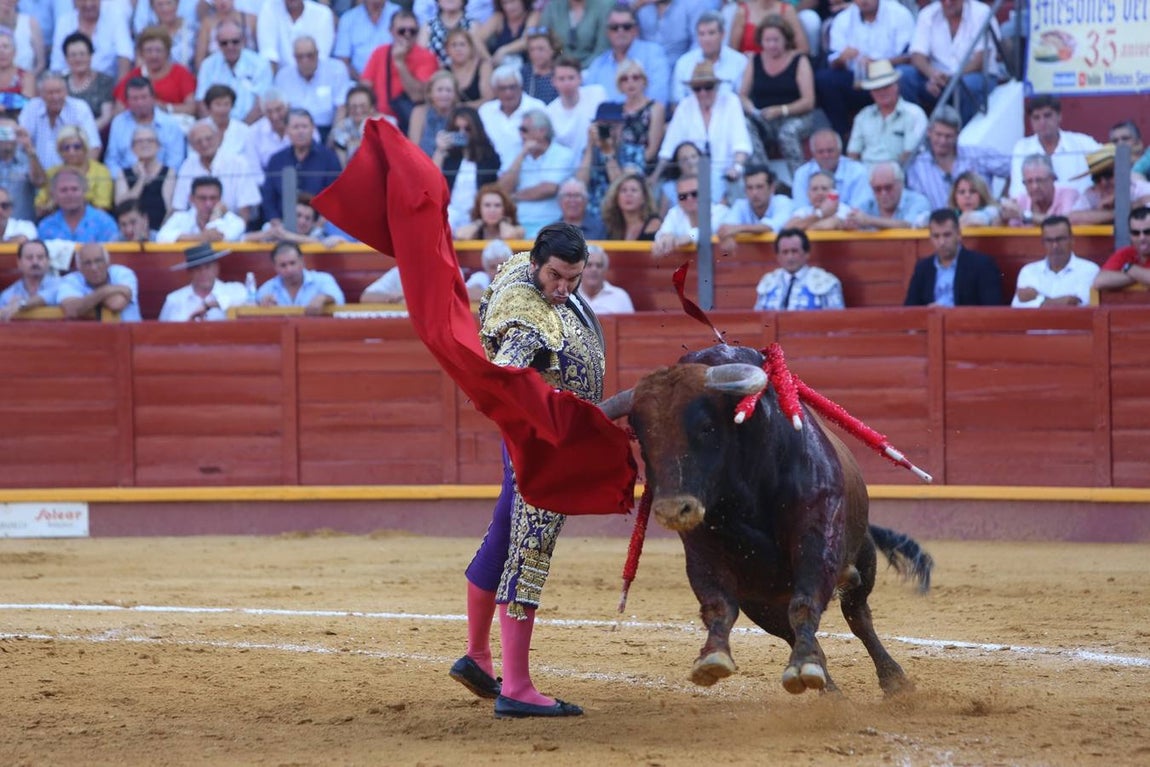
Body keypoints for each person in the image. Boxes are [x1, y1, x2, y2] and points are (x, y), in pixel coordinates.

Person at [451, 222, 601, 719]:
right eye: (556, 276)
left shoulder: (520, 264)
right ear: (538, 262)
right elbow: (505, 375)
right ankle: (515, 686)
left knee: (503, 533)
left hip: (536, 439)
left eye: (574, 279)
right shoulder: (527, 318)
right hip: (541, 445)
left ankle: (476, 655)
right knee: (529, 547)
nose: (563, 288)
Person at [815, 0, 915, 141]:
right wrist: (842, 59)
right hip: (857, 79)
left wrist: (879, 64)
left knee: (905, 74)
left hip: (889, 75)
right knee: (825, 79)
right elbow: (833, 60)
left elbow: (909, 56)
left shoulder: (899, 14)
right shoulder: (843, 19)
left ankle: (904, 129)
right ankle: (842, 136)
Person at [656, 62, 750, 205]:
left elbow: (741, 143)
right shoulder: (685, 106)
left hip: (724, 177)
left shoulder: (731, 102)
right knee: (668, 191)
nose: (703, 93)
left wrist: (736, 168)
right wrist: (655, 176)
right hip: (690, 177)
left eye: (708, 87)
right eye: (697, 88)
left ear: (716, 86)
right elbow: (669, 148)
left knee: (719, 192)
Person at [739, 13, 819, 178]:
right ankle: (763, 177)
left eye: (776, 40)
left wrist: (781, 110)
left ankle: (799, 180)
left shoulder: (799, 60)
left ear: (786, 39)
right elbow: (742, 95)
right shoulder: (755, 60)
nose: (771, 45)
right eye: (767, 40)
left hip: (795, 116)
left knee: (787, 133)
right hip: (764, 116)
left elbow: (808, 101)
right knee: (745, 126)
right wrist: (751, 108)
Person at [898, 0, 999, 126]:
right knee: (904, 75)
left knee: (968, 85)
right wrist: (932, 74)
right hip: (938, 80)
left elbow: (980, 59)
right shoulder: (928, 13)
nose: (948, 2)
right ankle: (915, 130)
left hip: (974, 76)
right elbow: (917, 55)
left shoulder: (981, 12)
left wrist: (952, 78)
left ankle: (962, 138)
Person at [906, 106, 1010, 210]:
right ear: (929, 132)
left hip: (981, 224)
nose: (943, 141)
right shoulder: (917, 167)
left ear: (957, 135)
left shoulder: (977, 155)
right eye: (938, 135)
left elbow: (1015, 167)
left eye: (948, 136)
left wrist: (1001, 201)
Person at [497, 110, 576, 237]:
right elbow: (502, 189)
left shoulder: (563, 154)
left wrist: (513, 197)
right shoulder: (515, 152)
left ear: (542, 131)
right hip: (515, 222)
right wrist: (522, 154)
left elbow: (548, 188)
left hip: (551, 223)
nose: (521, 134)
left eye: (524, 130)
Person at [904, 208, 1003, 306]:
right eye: (936, 236)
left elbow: (991, 310)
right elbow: (910, 310)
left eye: (947, 235)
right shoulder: (923, 268)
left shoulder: (982, 265)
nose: (941, 242)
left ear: (959, 235)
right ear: (930, 238)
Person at [360, 9, 438, 133]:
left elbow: (417, 96)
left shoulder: (426, 56)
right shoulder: (380, 52)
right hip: (381, 119)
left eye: (412, 31)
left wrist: (400, 63)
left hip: (412, 122)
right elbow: (365, 87)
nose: (407, 34)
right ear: (391, 31)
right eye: (402, 31)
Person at [261, 109, 342, 226]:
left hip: (319, 226)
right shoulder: (276, 160)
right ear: (287, 130)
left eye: (304, 127)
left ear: (313, 128)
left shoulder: (329, 158)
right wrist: (275, 221)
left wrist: (321, 222)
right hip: (281, 227)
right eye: (295, 127)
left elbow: (336, 195)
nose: (300, 131)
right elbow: (268, 197)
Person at [1009, 95, 1100, 198]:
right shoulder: (1022, 148)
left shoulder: (1083, 143)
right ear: (1031, 121)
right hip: (1035, 212)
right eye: (1036, 118)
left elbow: (1111, 162)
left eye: (1047, 116)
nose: (1042, 122)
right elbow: (1018, 193)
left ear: (1059, 116)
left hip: (1080, 211)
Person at [172, 119, 261, 222]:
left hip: (232, 226)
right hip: (195, 228)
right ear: (192, 146)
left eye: (208, 139)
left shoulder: (238, 163)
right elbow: (179, 206)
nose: (204, 144)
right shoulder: (188, 165)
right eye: (198, 141)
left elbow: (246, 207)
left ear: (218, 138)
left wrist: (237, 230)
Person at [845, 59, 927, 168]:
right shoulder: (863, 116)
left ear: (897, 86)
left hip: (899, 175)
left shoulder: (914, 114)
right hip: (865, 177)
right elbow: (853, 154)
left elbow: (910, 154)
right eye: (877, 88)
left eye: (886, 87)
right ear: (871, 92)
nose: (882, 92)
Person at [582, 4, 670, 106]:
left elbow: (658, 99)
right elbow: (587, 103)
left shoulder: (653, 54)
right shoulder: (598, 65)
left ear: (636, 30)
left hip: (642, 119)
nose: (620, 31)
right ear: (607, 32)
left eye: (626, 27)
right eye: (614, 27)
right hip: (604, 120)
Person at [435, 105, 502, 230]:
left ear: (475, 129)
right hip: (450, 212)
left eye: (467, 129)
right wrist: (440, 150)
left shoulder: (489, 157)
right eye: (457, 129)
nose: (462, 133)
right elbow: (432, 179)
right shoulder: (449, 157)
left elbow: (494, 187)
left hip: (478, 215)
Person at [104, 76, 185, 178]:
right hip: (126, 181)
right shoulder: (118, 122)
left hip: (162, 182)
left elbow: (175, 161)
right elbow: (112, 160)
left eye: (144, 97)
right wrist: (124, 179)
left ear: (153, 98)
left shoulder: (170, 124)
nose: (140, 103)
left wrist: (155, 180)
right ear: (127, 101)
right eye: (134, 98)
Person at [195, 19, 272, 125]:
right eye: (224, 43)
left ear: (243, 40)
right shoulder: (208, 65)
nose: (230, 46)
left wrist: (240, 130)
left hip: (251, 126)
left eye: (235, 41)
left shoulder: (260, 64)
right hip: (215, 129)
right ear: (217, 43)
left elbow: (261, 104)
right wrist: (214, 128)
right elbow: (201, 102)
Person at [273, 35, 351, 141]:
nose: (305, 60)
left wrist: (333, 138)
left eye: (310, 55)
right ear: (294, 57)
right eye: (300, 57)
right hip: (295, 132)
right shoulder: (283, 76)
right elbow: (281, 111)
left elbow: (341, 108)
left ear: (317, 53)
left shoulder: (336, 70)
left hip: (327, 129)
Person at [18, 70, 100, 169]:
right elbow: (21, 142)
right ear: (41, 94)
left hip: (73, 175)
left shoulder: (79, 108)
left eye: (59, 92)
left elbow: (94, 147)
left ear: (66, 92)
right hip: (35, 175)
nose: (55, 97)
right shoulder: (32, 107)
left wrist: (81, 175)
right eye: (50, 93)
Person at [1011, 216, 1099, 308]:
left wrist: (1037, 298)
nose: (1055, 246)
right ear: (1043, 243)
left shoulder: (1089, 270)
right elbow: (1017, 306)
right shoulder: (1028, 271)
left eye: (1060, 239)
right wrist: (1057, 301)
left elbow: (1075, 305)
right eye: (1049, 240)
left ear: (1072, 239)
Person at [112, 26, 197, 119]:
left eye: (158, 50)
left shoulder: (181, 73)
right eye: (149, 51)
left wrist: (165, 108)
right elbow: (119, 109)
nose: (154, 56)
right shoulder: (133, 76)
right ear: (141, 53)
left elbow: (191, 108)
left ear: (167, 52)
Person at [753, 227, 844, 310]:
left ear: (807, 254)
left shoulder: (825, 281)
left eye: (795, 251)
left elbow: (836, 321)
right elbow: (760, 322)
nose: (790, 257)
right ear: (778, 256)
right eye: (785, 252)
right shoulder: (768, 282)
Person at [477, 63, 546, 173]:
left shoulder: (537, 107)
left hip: (529, 172)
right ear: (495, 90)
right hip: (492, 173)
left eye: (512, 87)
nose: (508, 93)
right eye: (502, 88)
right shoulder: (485, 111)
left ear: (521, 86)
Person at [671, 11, 748, 106]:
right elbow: (676, 102)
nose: (706, 39)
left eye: (711, 33)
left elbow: (742, 100)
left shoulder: (740, 61)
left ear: (722, 34)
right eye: (702, 34)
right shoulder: (684, 62)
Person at [34, 125, 112, 217]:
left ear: (85, 148)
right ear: (59, 151)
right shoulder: (52, 173)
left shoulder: (100, 171)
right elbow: (39, 210)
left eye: (77, 147)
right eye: (66, 148)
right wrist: (53, 204)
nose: (71, 152)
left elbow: (102, 209)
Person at [159, 242, 249, 321]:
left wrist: (208, 305)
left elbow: (245, 299)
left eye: (207, 267)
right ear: (190, 273)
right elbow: (162, 333)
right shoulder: (174, 300)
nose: (203, 273)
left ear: (216, 268)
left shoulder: (235, 290)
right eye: (197, 269)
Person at [717, 164, 794, 253]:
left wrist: (738, 229)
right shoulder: (740, 205)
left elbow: (771, 226)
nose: (754, 193)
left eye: (760, 187)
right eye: (750, 188)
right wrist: (727, 236)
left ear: (772, 188)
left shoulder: (783, 202)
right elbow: (725, 227)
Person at [49, 0, 134, 79]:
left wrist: (120, 91)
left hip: (107, 84)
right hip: (71, 83)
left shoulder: (115, 18)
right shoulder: (64, 22)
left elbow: (125, 56)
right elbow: (57, 63)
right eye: (83, 0)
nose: (88, 4)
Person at [1069, 144, 1150, 226]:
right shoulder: (1091, 194)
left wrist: (1099, 216)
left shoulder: (1140, 188)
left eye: (1108, 174)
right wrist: (1119, 211)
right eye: (1097, 178)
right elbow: (1072, 218)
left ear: (1123, 171)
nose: (1103, 182)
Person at [58, 242, 141, 321]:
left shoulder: (122, 273)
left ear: (107, 262)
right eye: (87, 263)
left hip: (132, 333)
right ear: (79, 268)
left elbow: (116, 303)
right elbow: (72, 309)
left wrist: (87, 301)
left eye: (98, 261)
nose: (94, 268)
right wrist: (105, 291)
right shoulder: (70, 280)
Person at [256, 239, 345, 314]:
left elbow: (339, 299)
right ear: (275, 267)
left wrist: (324, 298)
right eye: (283, 265)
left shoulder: (322, 279)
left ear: (302, 261)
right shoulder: (267, 288)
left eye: (292, 263)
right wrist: (263, 306)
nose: (289, 269)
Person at [790, 128, 871, 209]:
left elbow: (859, 210)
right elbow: (800, 210)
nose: (826, 156)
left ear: (839, 151)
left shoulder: (858, 171)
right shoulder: (802, 174)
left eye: (830, 151)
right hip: (813, 220)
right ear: (813, 154)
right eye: (820, 152)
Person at [544, 56, 606, 161]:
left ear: (580, 78)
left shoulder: (597, 94)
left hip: (598, 162)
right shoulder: (549, 112)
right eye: (561, 79)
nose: (567, 83)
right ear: (554, 82)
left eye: (571, 78)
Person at [652, 173, 729, 257]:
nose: (689, 199)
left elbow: (709, 230)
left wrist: (689, 237)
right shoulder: (674, 213)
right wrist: (665, 237)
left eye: (695, 194)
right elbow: (661, 235)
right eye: (682, 196)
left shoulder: (721, 211)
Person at [156, 175, 247, 243]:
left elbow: (215, 238)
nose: (208, 204)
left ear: (220, 199)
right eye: (202, 198)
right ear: (191, 199)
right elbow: (161, 237)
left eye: (213, 198)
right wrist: (200, 237)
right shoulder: (180, 217)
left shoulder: (235, 222)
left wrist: (215, 216)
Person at [36, 167, 117, 242]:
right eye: (64, 190)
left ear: (84, 191)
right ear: (54, 195)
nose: (70, 194)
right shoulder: (46, 226)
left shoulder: (104, 223)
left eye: (74, 189)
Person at [999, 153, 1080, 227]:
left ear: (1053, 178)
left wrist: (1024, 215)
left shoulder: (1068, 195)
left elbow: (1062, 223)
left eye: (1040, 180)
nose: (1035, 186)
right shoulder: (1021, 200)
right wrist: (1002, 216)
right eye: (1029, 182)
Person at [845, 161, 931, 230]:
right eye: (877, 189)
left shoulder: (918, 201)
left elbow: (910, 226)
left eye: (888, 187)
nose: (883, 193)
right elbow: (849, 219)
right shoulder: (868, 204)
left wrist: (869, 221)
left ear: (901, 184)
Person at [256, 0, 335, 73]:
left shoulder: (323, 14)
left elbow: (321, 57)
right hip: (279, 80)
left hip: (315, 76)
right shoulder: (269, 9)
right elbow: (268, 53)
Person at [332, 0, 399, 81]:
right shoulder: (348, 19)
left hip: (394, 81)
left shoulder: (399, 14)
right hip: (358, 84)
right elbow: (343, 61)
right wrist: (363, 82)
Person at [61, 32, 114, 135]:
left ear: (90, 55)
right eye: (73, 55)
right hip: (64, 137)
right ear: (66, 58)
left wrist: (81, 134)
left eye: (82, 54)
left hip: (96, 135)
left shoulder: (104, 81)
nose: (78, 59)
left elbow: (106, 117)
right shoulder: (60, 82)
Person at [1091, 206, 1150, 293]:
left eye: (1148, 232)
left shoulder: (1129, 267)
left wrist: (1130, 269)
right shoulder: (1126, 253)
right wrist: (1140, 276)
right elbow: (1099, 281)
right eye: (1135, 233)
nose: (1142, 238)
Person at [538, 0, 613, 66]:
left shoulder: (601, 7)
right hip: (558, 67)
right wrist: (558, 64)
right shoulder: (553, 7)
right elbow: (544, 40)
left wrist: (582, 67)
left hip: (591, 67)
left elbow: (602, 47)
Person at [0, 238, 58, 320]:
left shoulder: (61, 285)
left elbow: (50, 294)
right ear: (19, 263)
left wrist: (21, 304)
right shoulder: (8, 295)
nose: (35, 262)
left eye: (40, 257)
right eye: (29, 258)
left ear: (48, 261)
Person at [728, 0, 809, 57]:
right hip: (748, 68)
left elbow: (803, 50)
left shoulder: (787, 10)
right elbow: (733, 52)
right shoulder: (742, 11)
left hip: (781, 67)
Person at [194, 0, 258, 70]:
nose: (222, 1)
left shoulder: (251, 20)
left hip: (249, 70)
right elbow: (200, 57)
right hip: (217, 72)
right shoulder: (207, 24)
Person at [408, 70, 460, 157]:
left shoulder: (462, 113)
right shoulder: (419, 112)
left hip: (454, 166)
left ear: (455, 94)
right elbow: (414, 147)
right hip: (424, 163)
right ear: (430, 93)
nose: (444, 94)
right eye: (439, 90)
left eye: (449, 90)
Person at [0, 115, 43, 220]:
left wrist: (29, 147)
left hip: (23, 226)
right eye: (2, 133)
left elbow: (40, 182)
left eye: (10, 133)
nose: (6, 138)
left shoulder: (29, 160)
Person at [475, 0, 540, 66]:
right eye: (504, 3)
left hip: (524, 66)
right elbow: (476, 39)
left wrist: (503, 50)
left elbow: (527, 40)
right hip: (500, 66)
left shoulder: (533, 16)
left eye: (513, 1)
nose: (509, 7)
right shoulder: (498, 18)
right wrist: (489, 59)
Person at [599, 170, 661, 240]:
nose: (628, 194)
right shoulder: (612, 227)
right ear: (616, 197)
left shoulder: (654, 223)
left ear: (644, 198)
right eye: (624, 190)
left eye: (634, 190)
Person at [783, 170, 851, 230]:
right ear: (808, 194)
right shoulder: (803, 211)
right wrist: (821, 213)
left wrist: (803, 225)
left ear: (834, 192)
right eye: (814, 189)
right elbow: (787, 229)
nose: (819, 193)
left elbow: (825, 227)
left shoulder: (843, 209)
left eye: (824, 188)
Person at [329, 85, 380, 166]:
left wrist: (355, 143)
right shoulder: (343, 125)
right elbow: (330, 144)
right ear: (348, 108)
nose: (358, 110)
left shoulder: (386, 122)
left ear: (372, 107)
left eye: (363, 106)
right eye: (353, 106)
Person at [443, 27, 492, 109]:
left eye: (462, 44)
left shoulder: (483, 66)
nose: (458, 49)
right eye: (454, 45)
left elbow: (488, 100)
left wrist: (463, 107)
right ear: (447, 50)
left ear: (471, 48)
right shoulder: (444, 70)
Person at [455, 183, 525, 240]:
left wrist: (503, 222)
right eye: (487, 205)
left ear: (505, 208)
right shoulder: (474, 230)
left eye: (497, 205)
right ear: (479, 208)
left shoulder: (518, 229)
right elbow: (461, 235)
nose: (492, 210)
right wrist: (479, 222)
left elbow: (508, 236)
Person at [418, 0, 476, 68]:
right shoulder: (428, 26)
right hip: (434, 74)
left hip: (465, 73)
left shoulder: (472, 25)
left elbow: (476, 57)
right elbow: (420, 57)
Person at [578, 243, 633, 313]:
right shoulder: (570, 296)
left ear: (605, 270)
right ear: (580, 269)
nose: (594, 269)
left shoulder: (621, 297)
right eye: (589, 265)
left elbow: (631, 323)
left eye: (599, 265)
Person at [518, 26, 559, 104]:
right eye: (532, 49)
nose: (536, 54)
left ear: (553, 49)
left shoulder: (560, 72)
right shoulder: (523, 72)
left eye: (541, 49)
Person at [0, 27, 33, 116]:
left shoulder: (26, 77)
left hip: (17, 121)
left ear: (14, 52)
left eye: (6, 47)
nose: (1, 52)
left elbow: (28, 106)